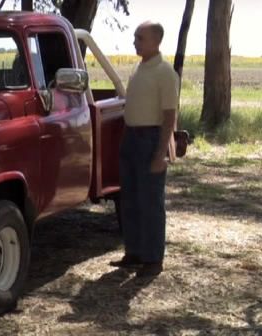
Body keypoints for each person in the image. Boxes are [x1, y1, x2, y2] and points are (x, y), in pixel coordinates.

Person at [109, 21, 179, 277]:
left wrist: (161, 153)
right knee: (130, 198)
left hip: (151, 138)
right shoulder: (139, 70)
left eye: (140, 38)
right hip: (131, 138)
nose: (135, 42)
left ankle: (153, 259)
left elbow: (170, 115)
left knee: (150, 201)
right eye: (135, 37)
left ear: (155, 41)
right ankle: (134, 252)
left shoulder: (165, 72)